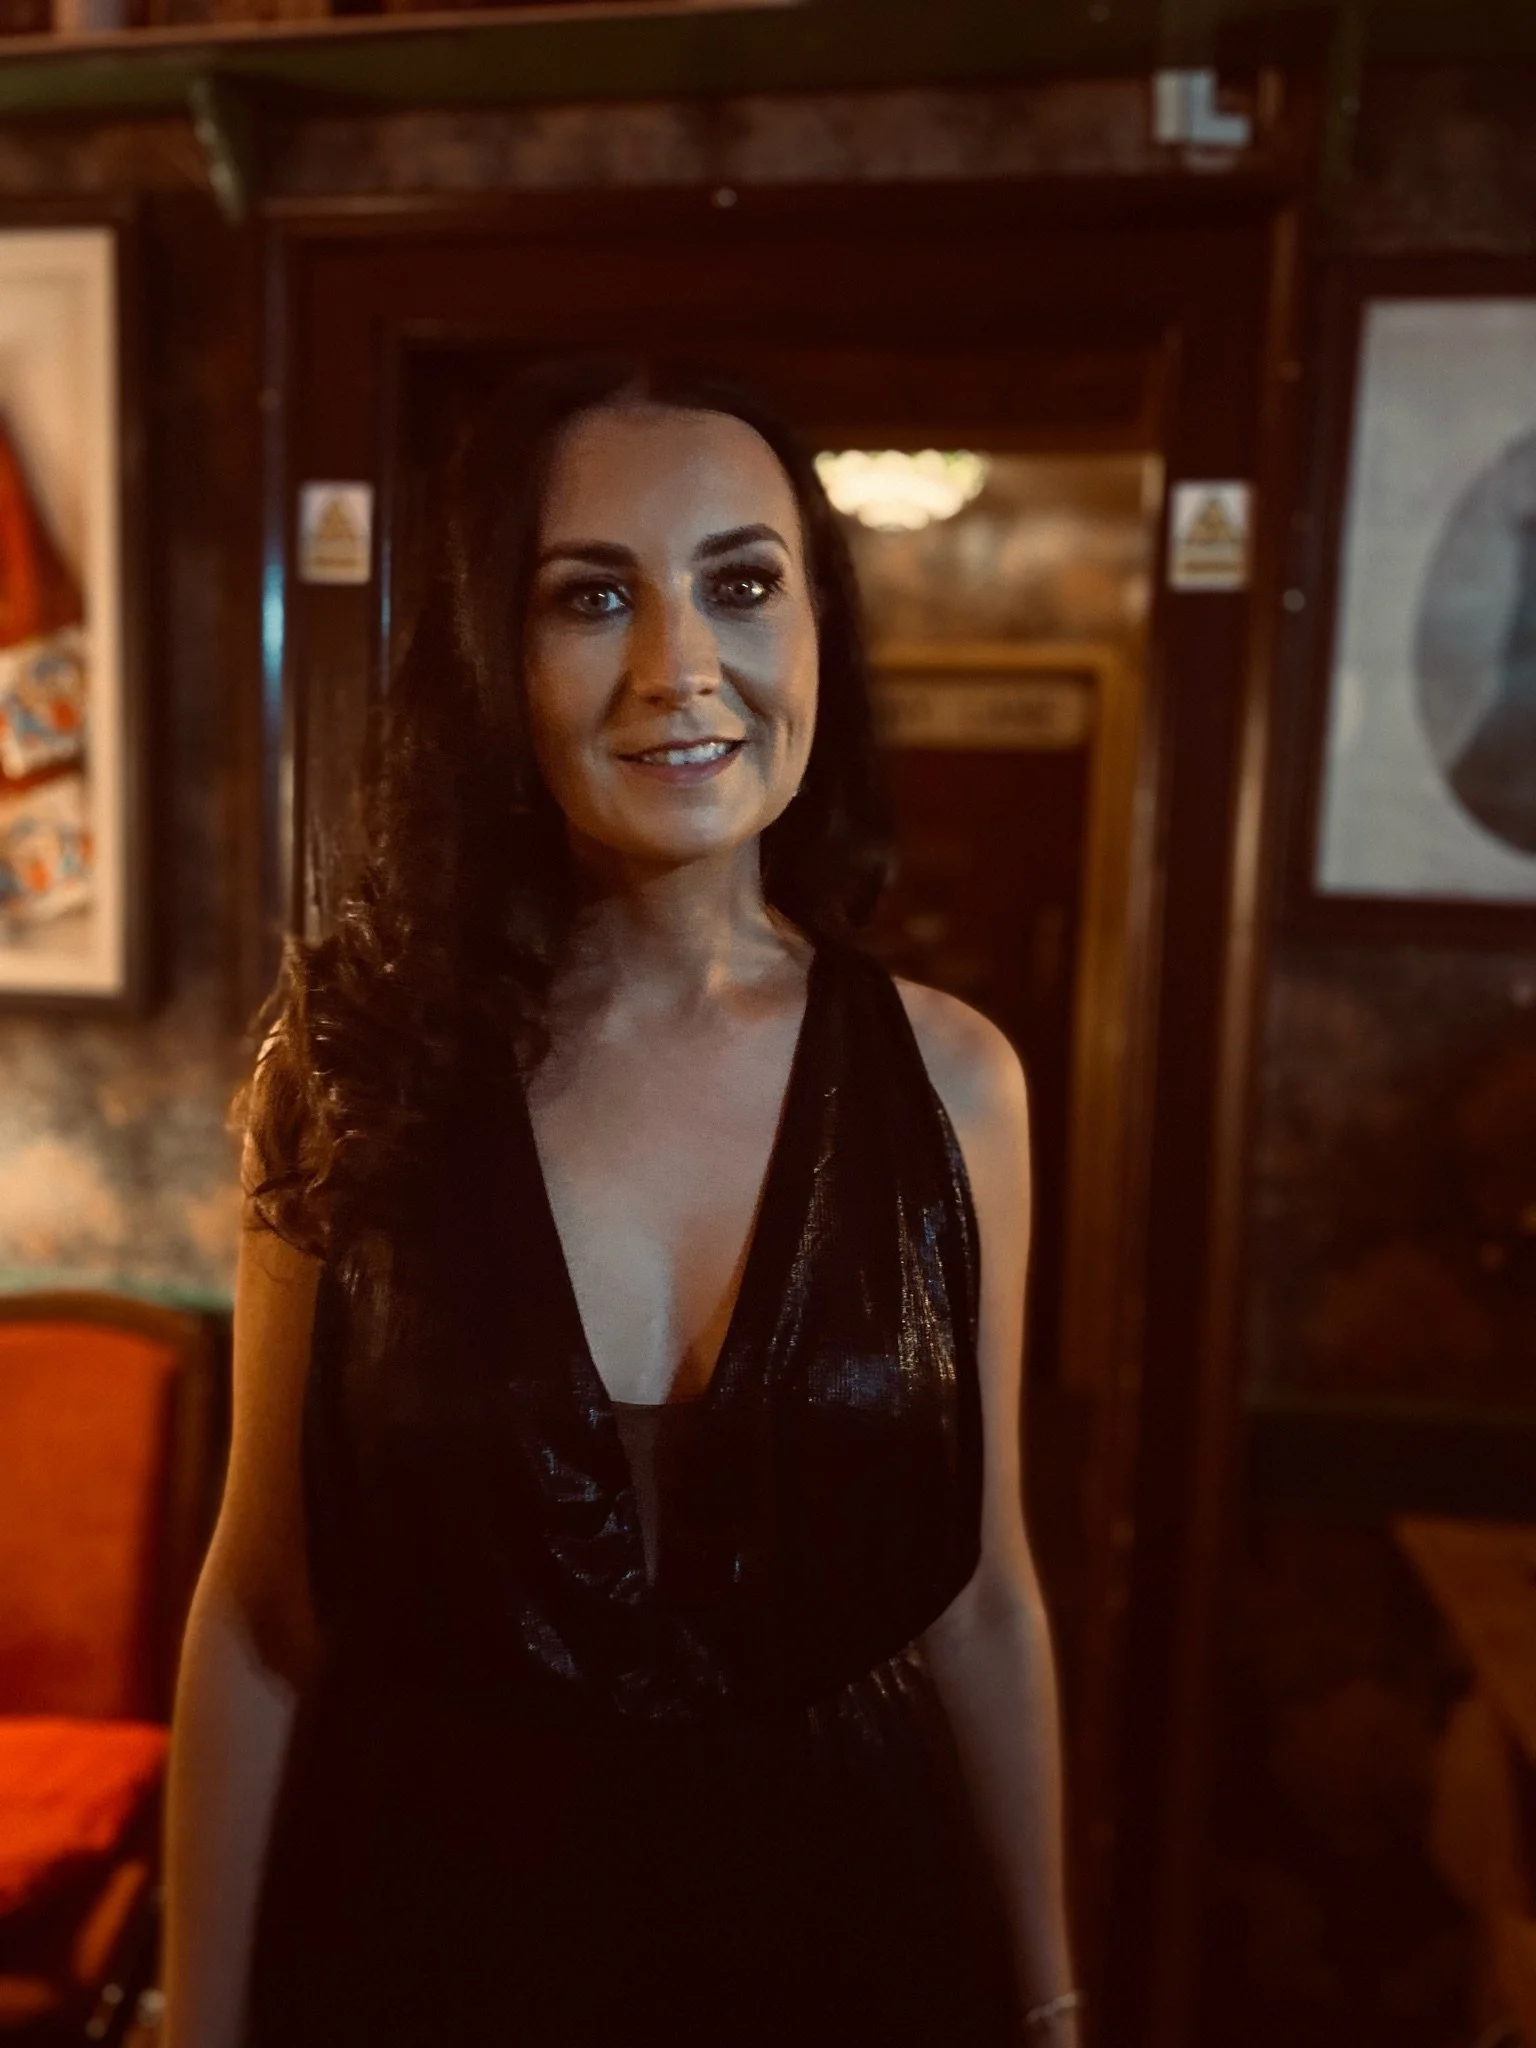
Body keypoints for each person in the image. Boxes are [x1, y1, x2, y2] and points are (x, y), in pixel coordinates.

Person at [162, 355, 1082, 2048]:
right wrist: (189, 2026)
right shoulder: (352, 1070)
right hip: (429, 1945)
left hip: (856, 1943)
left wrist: (1048, 2001)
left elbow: (986, 1596)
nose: (683, 666)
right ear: (491, 664)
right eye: (594, 598)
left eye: (743, 583)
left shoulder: (959, 1087)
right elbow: (262, 1608)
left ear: (819, 635)